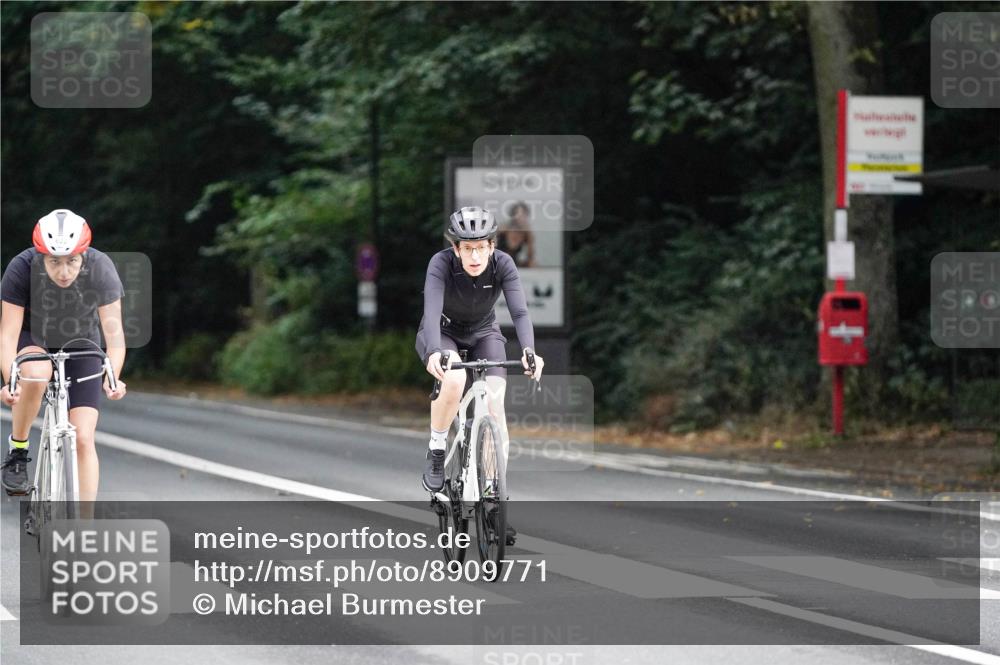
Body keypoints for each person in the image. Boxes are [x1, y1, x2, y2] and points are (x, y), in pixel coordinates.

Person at [415, 206, 544, 546]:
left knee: (495, 400)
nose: (475, 255)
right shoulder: (440, 264)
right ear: (455, 248)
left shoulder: (503, 264)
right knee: (455, 381)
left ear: (491, 246)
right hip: (442, 334)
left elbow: (519, 311)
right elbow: (430, 311)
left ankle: (494, 497)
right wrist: (433, 352)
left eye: (481, 246)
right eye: (467, 247)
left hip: (485, 332)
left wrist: (529, 351)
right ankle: (438, 447)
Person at [1, 209, 128, 505]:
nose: (63, 271)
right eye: (54, 262)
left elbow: (116, 337)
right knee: (36, 372)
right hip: (33, 338)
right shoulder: (21, 268)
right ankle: (18, 450)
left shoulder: (101, 268)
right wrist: (11, 380)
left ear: (84, 254)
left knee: (83, 437)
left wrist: (114, 377)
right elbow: (7, 333)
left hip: (82, 343)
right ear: (40, 255)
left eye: (71, 261)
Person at [498, 201, 536, 267]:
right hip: (498, 261)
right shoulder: (504, 229)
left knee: (533, 264)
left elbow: (530, 257)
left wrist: (530, 238)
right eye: (518, 214)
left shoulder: (525, 233)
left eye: (524, 215)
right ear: (513, 216)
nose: (521, 218)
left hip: (513, 262)